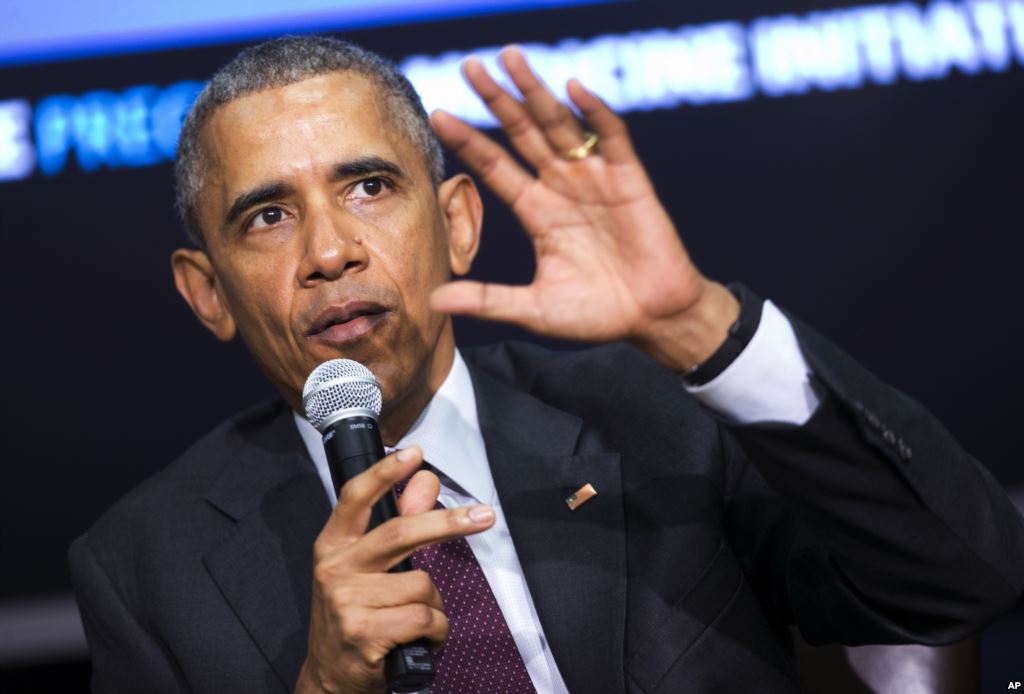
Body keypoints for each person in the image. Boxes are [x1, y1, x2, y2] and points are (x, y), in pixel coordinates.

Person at [68, 35, 1024, 694]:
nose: (330, 251)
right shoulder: (144, 568)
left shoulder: (654, 414)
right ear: (206, 293)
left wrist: (696, 323)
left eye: (369, 186)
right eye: (268, 216)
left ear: (456, 224)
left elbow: (961, 579)